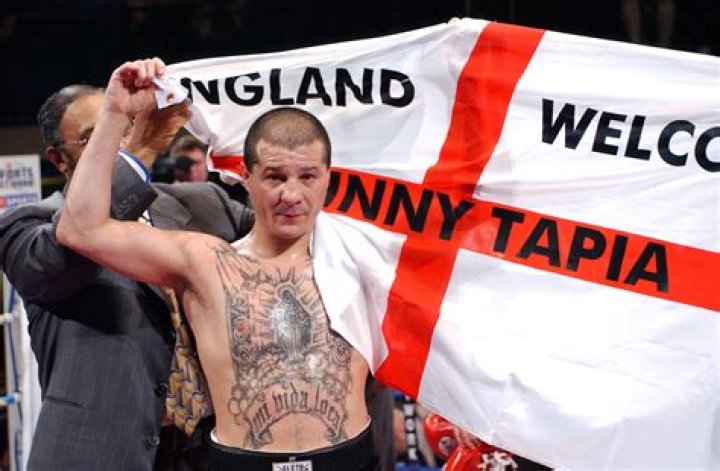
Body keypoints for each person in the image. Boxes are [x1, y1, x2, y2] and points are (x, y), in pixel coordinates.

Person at [57, 58, 377, 470]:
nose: (292, 194)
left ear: (328, 177)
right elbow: (80, 229)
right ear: (245, 175)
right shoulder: (207, 262)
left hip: (350, 459)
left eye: (307, 177)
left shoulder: (361, 254)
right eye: (275, 176)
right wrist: (115, 113)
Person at [0, 83, 254, 470]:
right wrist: (141, 152)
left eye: (124, 128)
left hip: (211, 450)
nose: (116, 143)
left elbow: (296, 241)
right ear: (58, 159)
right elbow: (75, 244)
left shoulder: (206, 203)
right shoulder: (29, 226)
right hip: (100, 454)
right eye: (96, 135)